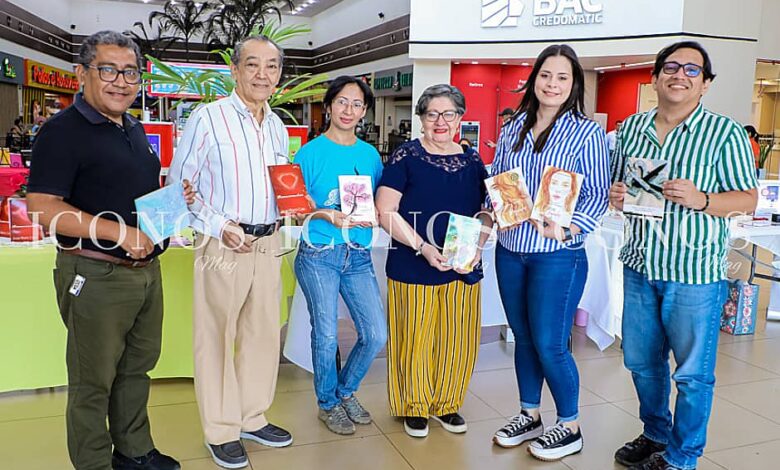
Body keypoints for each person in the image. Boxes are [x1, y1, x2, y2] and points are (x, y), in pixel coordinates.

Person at [26, 30, 191, 470]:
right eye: (109, 70)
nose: (121, 81)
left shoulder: (133, 129)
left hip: (145, 273)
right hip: (94, 274)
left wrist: (172, 198)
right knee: (92, 381)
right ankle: (94, 463)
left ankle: (134, 451)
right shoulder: (61, 131)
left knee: (137, 369)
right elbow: (42, 207)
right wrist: (118, 235)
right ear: (82, 73)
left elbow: (126, 192)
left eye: (131, 72)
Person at [609, 41, 758, 470]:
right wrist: (619, 194)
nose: (680, 75)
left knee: (691, 375)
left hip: (694, 272)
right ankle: (655, 432)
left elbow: (748, 199)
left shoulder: (724, 133)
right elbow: (624, 186)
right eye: (670, 67)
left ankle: (682, 456)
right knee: (640, 361)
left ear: (705, 84)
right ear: (654, 78)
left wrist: (702, 199)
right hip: (640, 263)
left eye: (692, 70)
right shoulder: (633, 128)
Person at [166, 34, 293, 469]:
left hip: (269, 241)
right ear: (235, 71)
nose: (263, 74)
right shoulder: (208, 118)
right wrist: (221, 226)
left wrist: (297, 208)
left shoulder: (276, 125)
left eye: (271, 66)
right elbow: (180, 188)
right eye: (253, 65)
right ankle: (221, 428)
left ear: (279, 75)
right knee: (217, 334)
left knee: (261, 333)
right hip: (223, 241)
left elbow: (281, 184)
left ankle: (252, 416)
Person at [489, 44, 610, 462]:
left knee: (551, 342)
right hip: (510, 250)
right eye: (545, 75)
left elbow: (596, 195)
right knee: (523, 337)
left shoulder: (587, 132)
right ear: (534, 79)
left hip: (557, 255)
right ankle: (529, 414)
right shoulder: (513, 127)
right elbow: (500, 180)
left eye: (562, 77)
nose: (552, 84)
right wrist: (494, 208)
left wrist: (570, 228)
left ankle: (570, 425)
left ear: (574, 83)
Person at [376, 84, 493, 438]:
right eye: (432, 114)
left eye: (449, 113)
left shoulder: (473, 159)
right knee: (415, 337)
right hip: (414, 262)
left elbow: (488, 211)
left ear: (460, 118)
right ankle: (415, 405)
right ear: (422, 119)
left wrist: (478, 245)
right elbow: (386, 211)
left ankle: (446, 403)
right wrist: (423, 246)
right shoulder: (406, 156)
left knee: (458, 337)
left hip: (462, 264)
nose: (441, 121)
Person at [293, 76, 387, 436]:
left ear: (364, 111)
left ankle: (345, 391)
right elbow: (296, 207)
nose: (349, 110)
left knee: (376, 334)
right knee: (327, 335)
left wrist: (378, 214)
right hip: (319, 253)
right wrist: (323, 213)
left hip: (358, 253)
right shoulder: (309, 153)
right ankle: (328, 403)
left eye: (357, 104)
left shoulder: (369, 155)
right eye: (342, 102)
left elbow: (377, 201)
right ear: (329, 106)